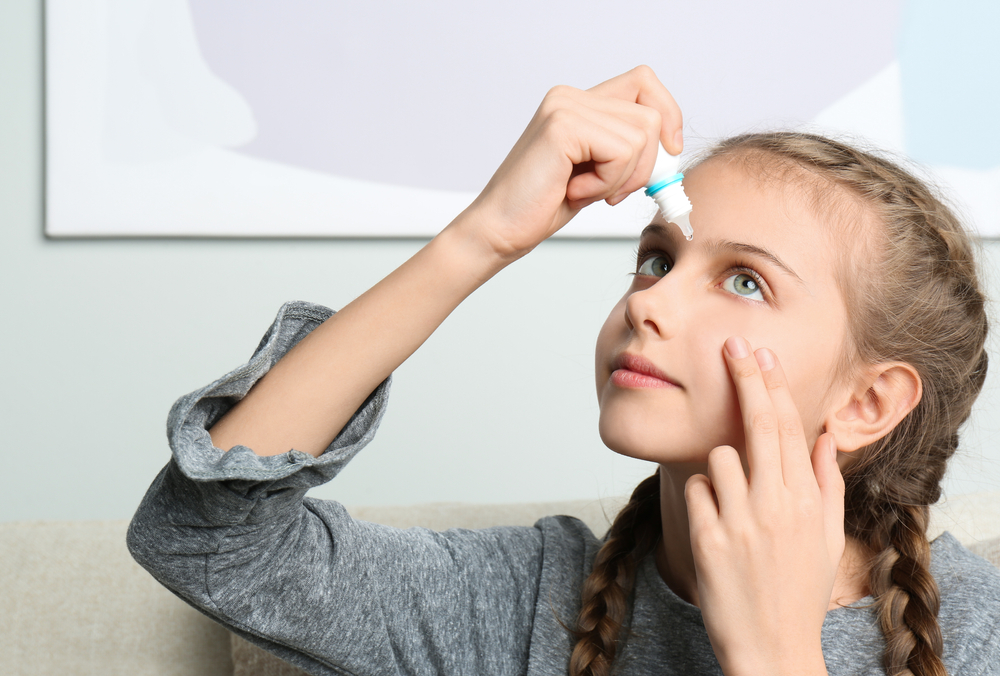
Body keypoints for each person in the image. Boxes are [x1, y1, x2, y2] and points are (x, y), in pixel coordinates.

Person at [128, 66, 1000, 675]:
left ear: (867, 400)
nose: (648, 306)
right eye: (658, 260)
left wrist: (775, 659)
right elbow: (209, 540)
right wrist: (482, 237)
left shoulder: (980, 630)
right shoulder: (528, 602)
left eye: (744, 281)